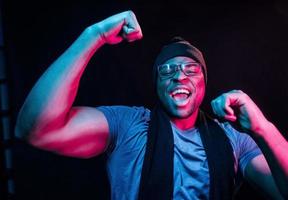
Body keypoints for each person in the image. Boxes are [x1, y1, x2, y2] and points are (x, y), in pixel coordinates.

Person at [15, 10, 288, 200]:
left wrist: (263, 128)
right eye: (167, 71)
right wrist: (93, 35)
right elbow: (37, 129)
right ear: (157, 85)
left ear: (204, 83)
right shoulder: (128, 125)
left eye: (191, 69)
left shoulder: (234, 139)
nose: (179, 75)